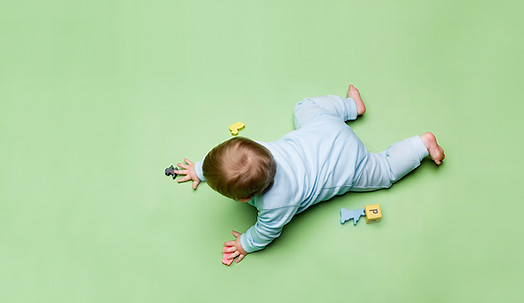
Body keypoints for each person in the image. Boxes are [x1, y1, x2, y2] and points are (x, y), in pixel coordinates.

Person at [175, 84, 445, 264]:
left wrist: (245, 244)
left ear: (245, 199)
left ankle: (421, 144)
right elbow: (228, 161)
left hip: (349, 164)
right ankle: (351, 107)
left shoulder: (277, 204)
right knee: (303, 107)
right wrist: (201, 170)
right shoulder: (259, 151)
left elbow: (266, 232)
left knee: (384, 171)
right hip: (326, 129)